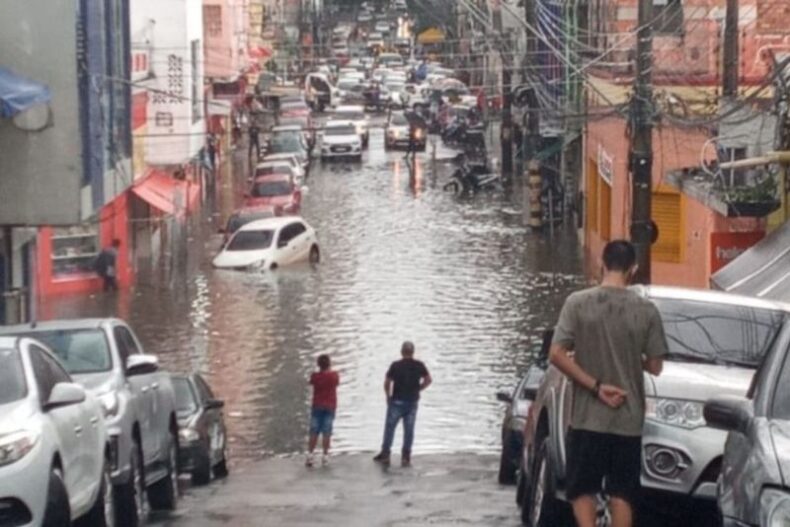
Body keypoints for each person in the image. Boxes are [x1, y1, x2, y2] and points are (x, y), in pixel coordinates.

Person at [549, 240, 667, 527]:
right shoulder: (646, 310)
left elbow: (556, 354)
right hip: (628, 418)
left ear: (602, 264)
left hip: (587, 418)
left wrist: (596, 387)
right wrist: (632, 358)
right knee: (622, 492)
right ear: (633, 269)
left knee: (582, 489)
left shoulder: (577, 303)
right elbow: (656, 366)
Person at [373, 341, 432, 467]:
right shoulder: (419, 365)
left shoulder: (395, 365)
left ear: (401, 352)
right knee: (409, 430)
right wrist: (419, 389)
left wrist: (387, 396)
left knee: (390, 428)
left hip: (396, 401)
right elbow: (428, 380)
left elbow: (387, 382)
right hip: (412, 402)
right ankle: (406, 457)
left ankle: (385, 454)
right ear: (413, 352)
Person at [306, 354, 339, 467]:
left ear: (318, 365)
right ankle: (325, 456)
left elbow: (311, 382)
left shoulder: (315, 376)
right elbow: (337, 383)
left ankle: (310, 455)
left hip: (317, 406)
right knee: (327, 432)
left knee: (314, 431)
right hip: (330, 406)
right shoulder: (334, 376)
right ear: (329, 364)